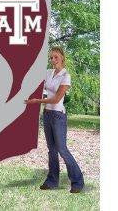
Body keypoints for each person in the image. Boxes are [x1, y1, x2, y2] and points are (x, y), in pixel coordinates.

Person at [24, 46, 85, 193]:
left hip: (58, 116)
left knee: (62, 149)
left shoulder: (66, 76)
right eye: (51, 57)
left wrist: (36, 101)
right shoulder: (48, 73)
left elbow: (57, 98)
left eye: (56, 57)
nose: (53, 60)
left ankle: (78, 181)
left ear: (62, 57)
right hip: (47, 115)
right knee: (51, 150)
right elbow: (35, 81)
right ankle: (52, 181)